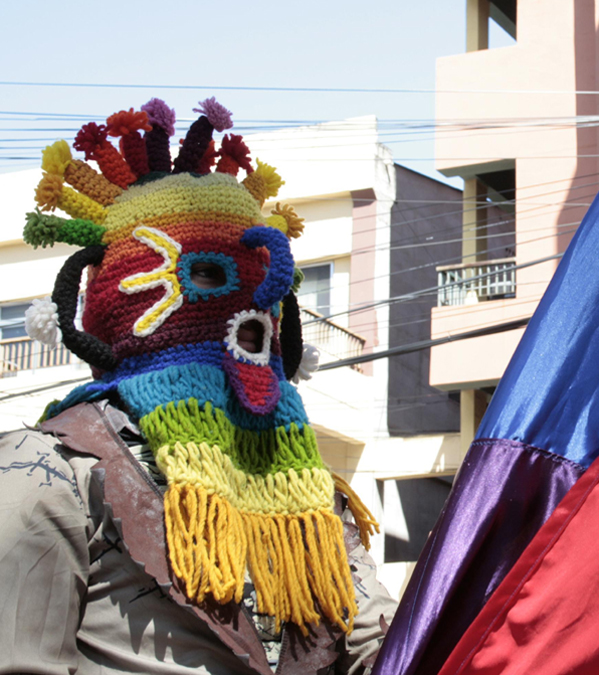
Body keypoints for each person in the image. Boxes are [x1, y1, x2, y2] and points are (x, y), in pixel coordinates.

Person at [0, 98, 396, 674]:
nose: (252, 306)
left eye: (265, 284)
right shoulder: (50, 468)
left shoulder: (306, 490)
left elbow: (382, 646)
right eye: (209, 273)